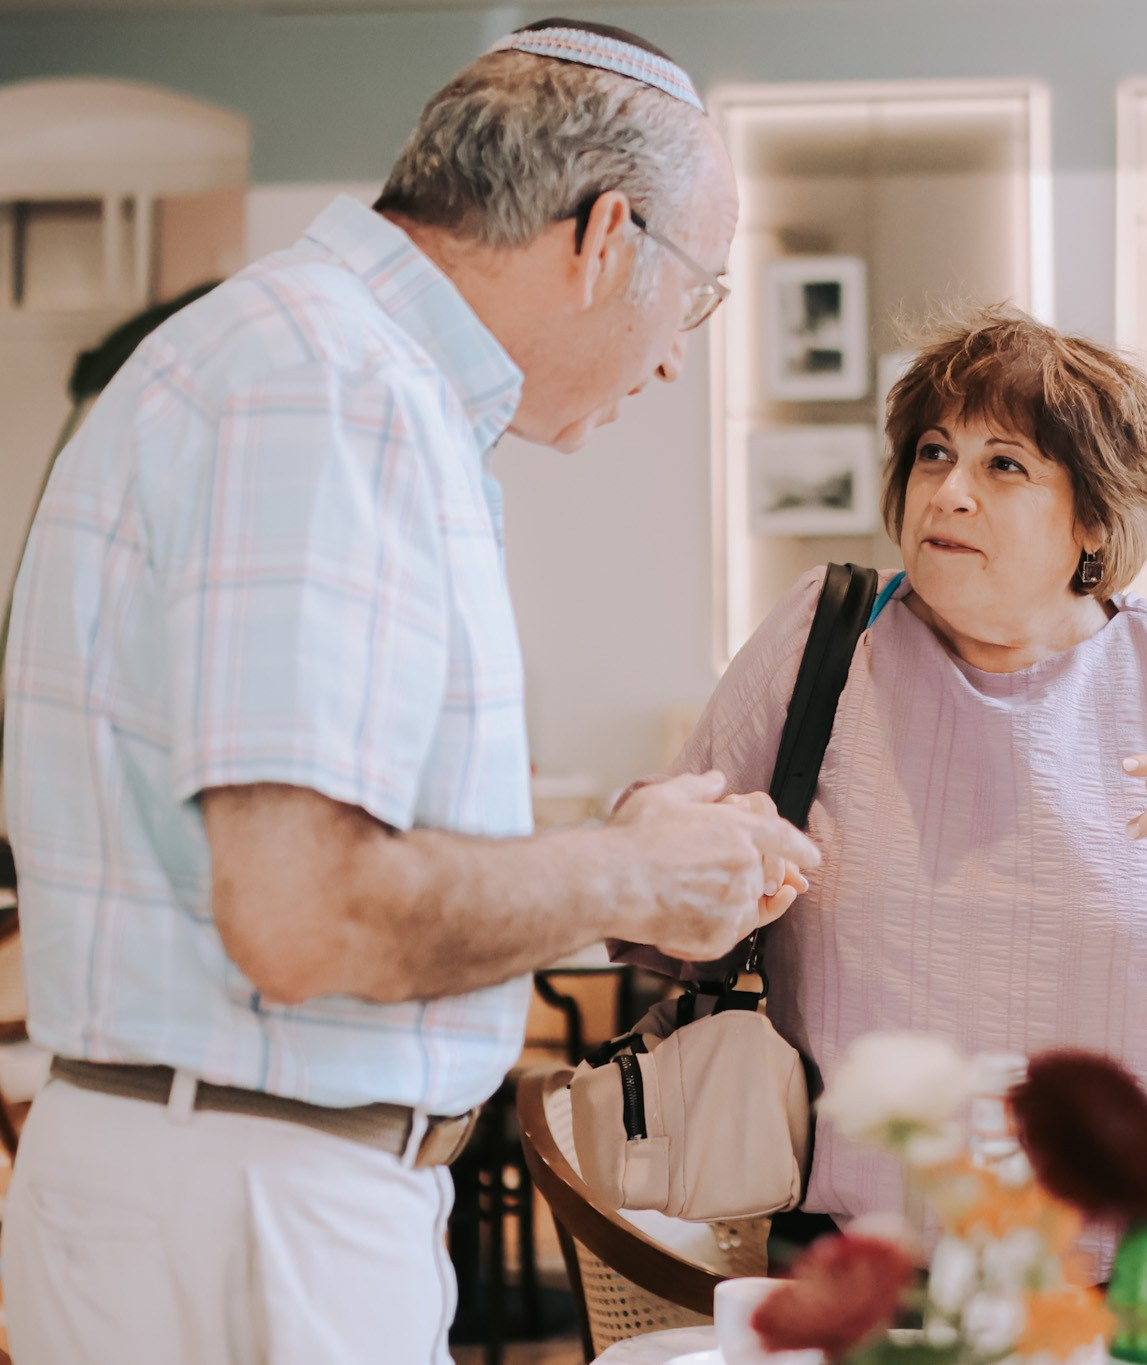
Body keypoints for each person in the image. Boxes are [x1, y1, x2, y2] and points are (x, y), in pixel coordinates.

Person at [0, 20, 817, 1364]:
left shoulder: (331, 367)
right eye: (699, 293)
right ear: (607, 236)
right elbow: (308, 918)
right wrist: (631, 873)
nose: (677, 356)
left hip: (250, 1180)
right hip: (254, 1203)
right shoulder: (329, 386)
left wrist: (630, 853)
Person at [616, 308, 1147, 1249]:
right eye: (934, 454)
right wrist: (682, 859)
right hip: (873, 1269)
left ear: (1093, 516)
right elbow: (661, 898)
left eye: (1004, 464)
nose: (950, 492)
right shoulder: (826, 638)